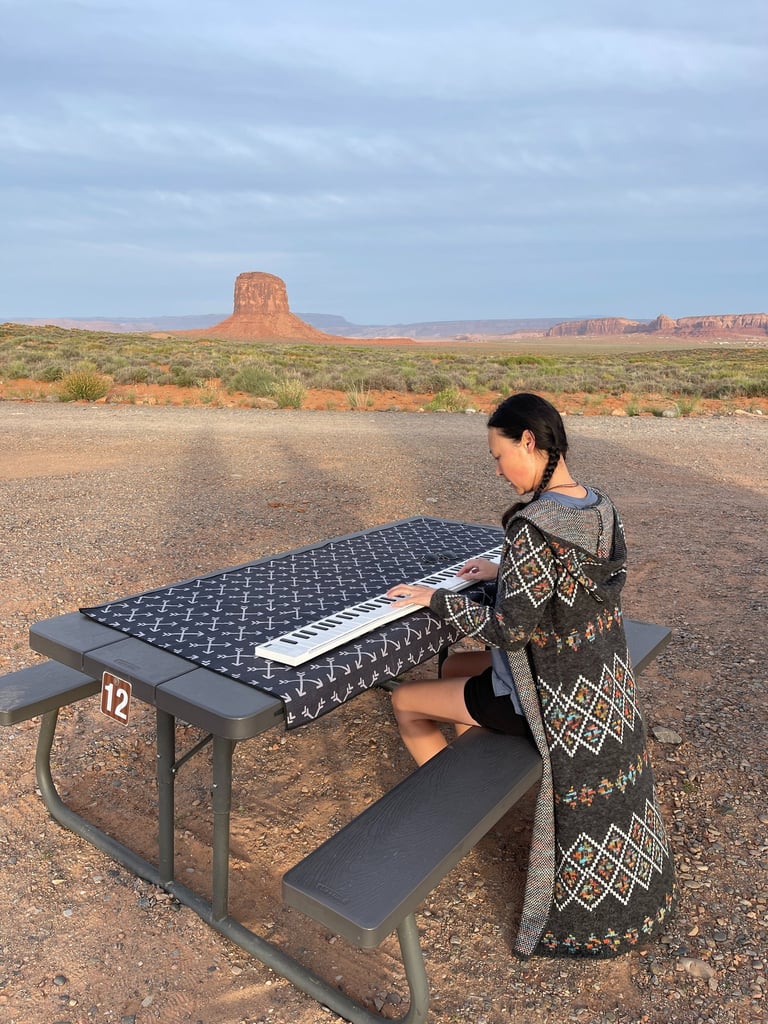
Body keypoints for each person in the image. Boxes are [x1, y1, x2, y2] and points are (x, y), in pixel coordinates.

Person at [386, 392, 676, 959]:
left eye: (499, 457)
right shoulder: (598, 505)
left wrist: (434, 601)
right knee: (459, 666)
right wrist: (504, 569)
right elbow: (579, 583)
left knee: (407, 699)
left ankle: (459, 814)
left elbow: (508, 630)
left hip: (553, 701)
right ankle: (476, 773)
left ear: (529, 441)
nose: (498, 471)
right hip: (603, 686)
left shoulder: (533, 526)